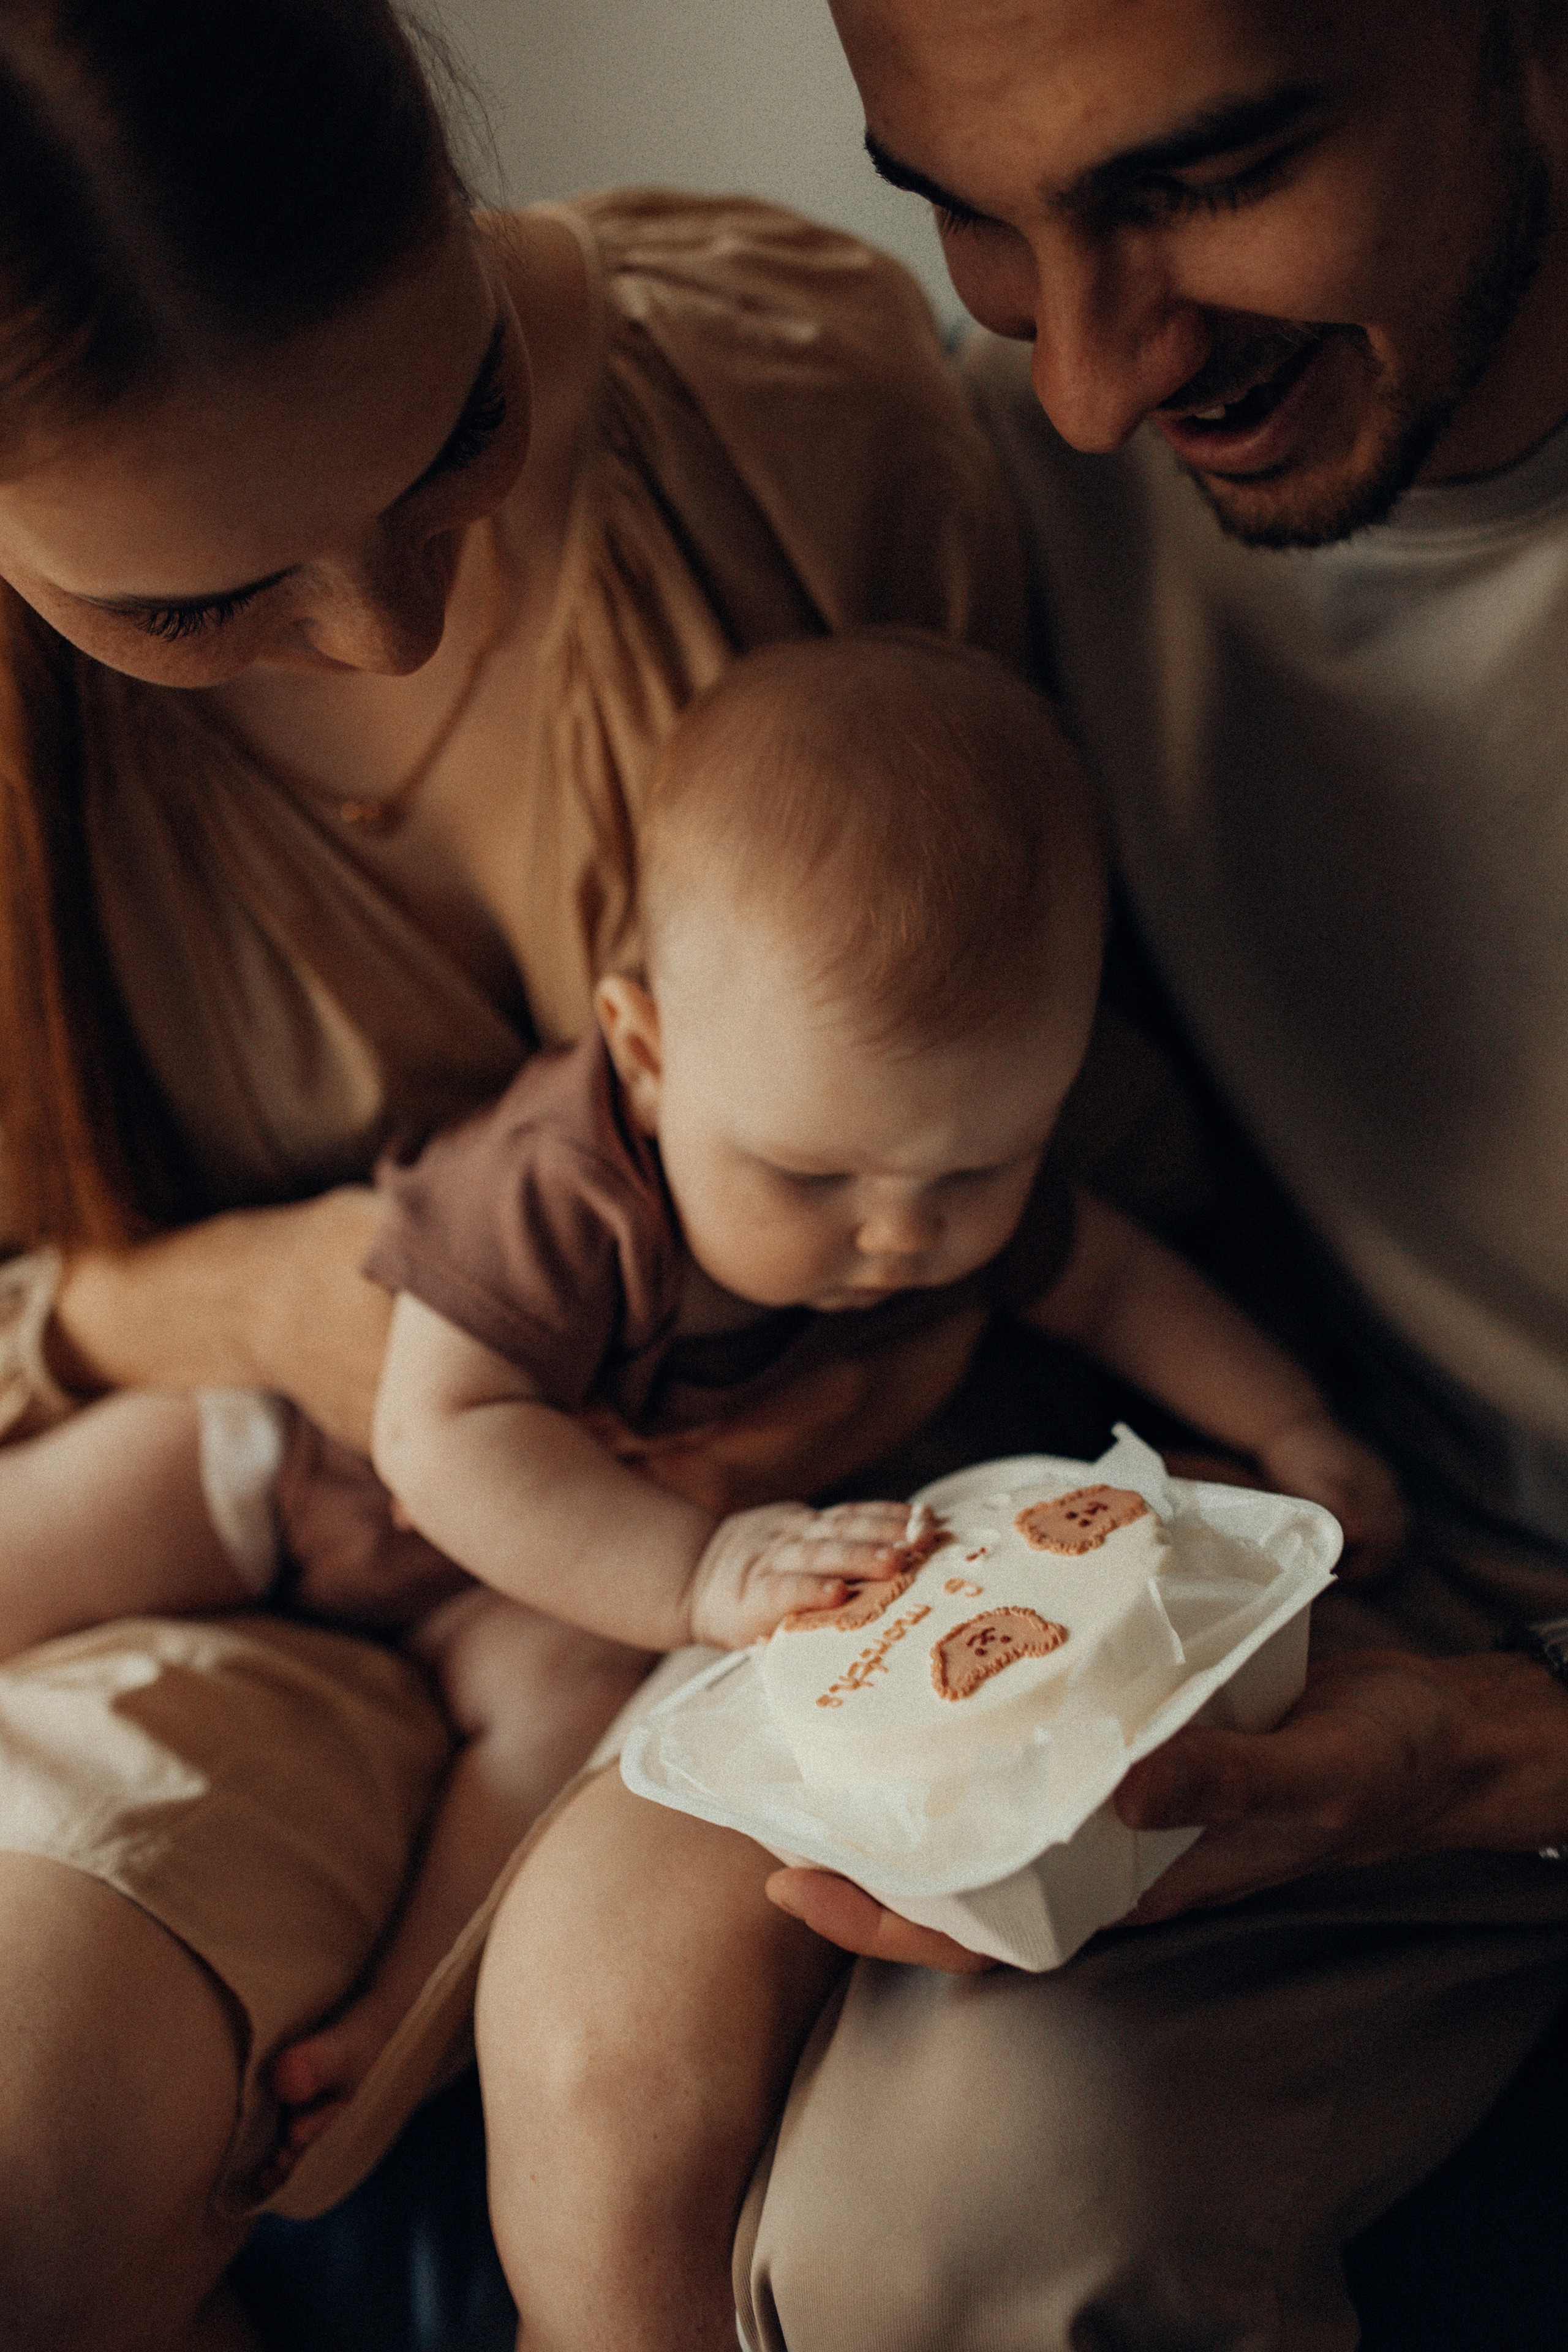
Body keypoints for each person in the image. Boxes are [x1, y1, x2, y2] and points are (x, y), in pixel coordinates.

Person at [539, 1, 1568, 2345]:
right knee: (938, 2233)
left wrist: (1498, 1744)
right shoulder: (990, 490)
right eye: (968, 211)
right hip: (1345, 1589)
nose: (1094, 380)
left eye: (1202, 178)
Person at [0, 5, 1025, 2346]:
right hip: (229, 1522)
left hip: (693, 1558)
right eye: (186, 608)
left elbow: (1023, 1094)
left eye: (455, 431)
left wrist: (801, 1449)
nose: (384, 626)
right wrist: (222, 1307)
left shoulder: (781, 415)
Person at [349, 627, 1398, 2346]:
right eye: (809, 1173)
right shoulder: (560, 1192)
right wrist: (698, 1574)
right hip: (397, 1511)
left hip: (678, 1594)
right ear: (647, 1046)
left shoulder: (924, 1153)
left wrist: (1296, 1437)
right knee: (158, 1496)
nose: (902, 1236)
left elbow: (1118, 1284)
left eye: (975, 1168)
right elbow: (436, 1438)